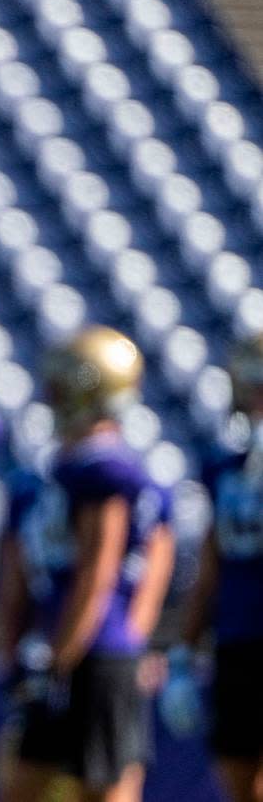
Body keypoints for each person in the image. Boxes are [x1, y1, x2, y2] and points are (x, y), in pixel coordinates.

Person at [0, 327, 175, 802]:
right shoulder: (56, 468)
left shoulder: (106, 470)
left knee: (106, 788)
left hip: (92, 651)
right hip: (63, 645)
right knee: (17, 781)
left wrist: (60, 658)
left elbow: (102, 572)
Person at [161, 332, 263, 802]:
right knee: (239, 780)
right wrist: (182, 654)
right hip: (238, 640)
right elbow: (211, 567)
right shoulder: (226, 466)